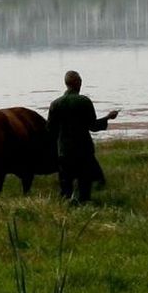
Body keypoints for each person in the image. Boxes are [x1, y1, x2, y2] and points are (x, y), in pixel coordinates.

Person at [47, 70, 119, 203]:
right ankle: (83, 204)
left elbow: (50, 130)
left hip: (64, 151)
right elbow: (93, 126)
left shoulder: (55, 104)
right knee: (84, 188)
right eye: (80, 81)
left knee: (65, 188)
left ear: (66, 84)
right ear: (78, 83)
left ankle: (66, 207)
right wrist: (108, 117)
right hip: (83, 151)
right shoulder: (84, 101)